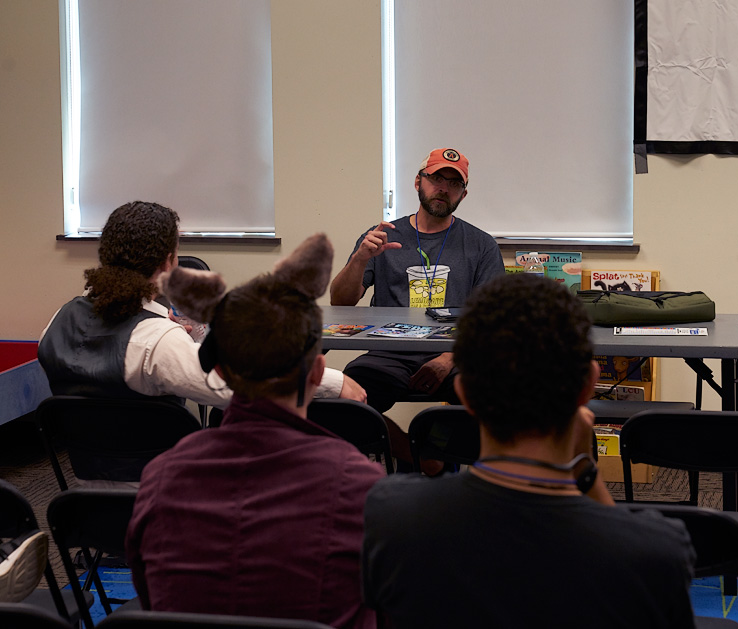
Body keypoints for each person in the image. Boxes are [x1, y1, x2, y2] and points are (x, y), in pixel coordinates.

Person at [361, 273, 697, 628]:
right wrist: (586, 469)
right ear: (588, 385)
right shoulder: (656, 552)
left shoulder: (393, 518)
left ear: (465, 392)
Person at [126, 234, 384, 629]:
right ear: (317, 373)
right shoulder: (359, 483)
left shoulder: (161, 478)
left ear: (219, 370)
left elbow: (150, 597)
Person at [38, 201, 365, 407]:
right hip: (161, 485)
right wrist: (335, 382)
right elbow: (240, 389)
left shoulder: (58, 321)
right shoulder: (158, 341)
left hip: (82, 487)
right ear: (167, 262)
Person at [329, 148, 504, 414]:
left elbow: (492, 319)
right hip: (388, 353)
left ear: (463, 194)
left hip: (455, 354)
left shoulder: (481, 245)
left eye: (454, 183)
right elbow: (340, 302)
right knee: (348, 403)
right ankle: (404, 444)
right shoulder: (382, 236)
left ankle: (438, 441)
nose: (443, 189)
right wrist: (360, 259)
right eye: (436, 179)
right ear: (418, 182)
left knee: (494, 395)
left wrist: (448, 359)